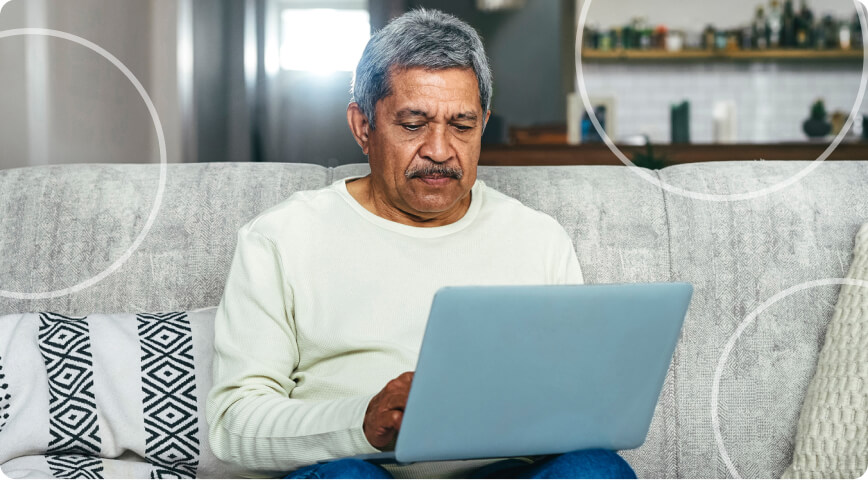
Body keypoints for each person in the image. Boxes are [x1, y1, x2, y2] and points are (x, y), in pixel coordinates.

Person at [206, 8, 636, 479]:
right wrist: (362, 423)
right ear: (363, 127)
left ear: (483, 125)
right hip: (360, 469)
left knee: (594, 467)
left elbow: (573, 401)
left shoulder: (538, 238)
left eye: (462, 125)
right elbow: (234, 424)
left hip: (502, 472)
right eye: (413, 124)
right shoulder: (280, 238)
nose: (439, 149)